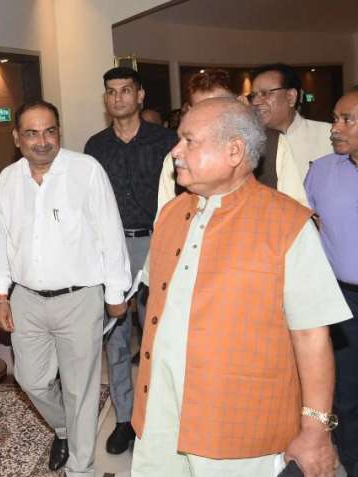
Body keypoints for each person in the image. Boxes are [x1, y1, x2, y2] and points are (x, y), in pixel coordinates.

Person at [131, 97, 351, 477]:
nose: (176, 151)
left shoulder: (288, 224)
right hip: (161, 414)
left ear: (234, 151)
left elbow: (312, 337)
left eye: (189, 141)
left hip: (239, 428)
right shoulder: (171, 214)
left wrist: (316, 430)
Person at [0, 100, 131, 476]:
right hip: (26, 299)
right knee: (31, 380)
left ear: (59, 132)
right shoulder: (9, 179)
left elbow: (110, 232)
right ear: (17, 137)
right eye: (32, 133)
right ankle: (65, 429)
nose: (42, 141)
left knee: (79, 390)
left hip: (79, 299)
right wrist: (1, 295)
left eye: (50, 131)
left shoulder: (86, 170)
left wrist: (115, 292)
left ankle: (80, 469)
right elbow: (2, 239)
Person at [83, 67, 177, 455]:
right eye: (111, 91)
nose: (118, 97)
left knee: (159, 336)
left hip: (157, 242)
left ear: (140, 96)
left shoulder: (166, 141)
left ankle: (155, 420)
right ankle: (124, 419)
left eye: (125, 90)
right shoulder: (95, 147)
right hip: (111, 248)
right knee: (116, 337)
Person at [157, 69, 307, 211]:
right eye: (199, 110)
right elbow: (165, 220)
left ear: (240, 103)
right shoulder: (177, 158)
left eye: (218, 109)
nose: (208, 119)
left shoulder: (274, 145)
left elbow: (295, 210)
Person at [305, 89, 358, 477]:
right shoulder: (321, 171)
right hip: (343, 300)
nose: (334, 128)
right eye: (334, 119)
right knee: (346, 392)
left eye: (347, 120)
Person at [249, 63, 331, 176]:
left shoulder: (327, 136)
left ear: (291, 97)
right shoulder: (252, 141)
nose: (255, 102)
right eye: (253, 95)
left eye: (264, 94)